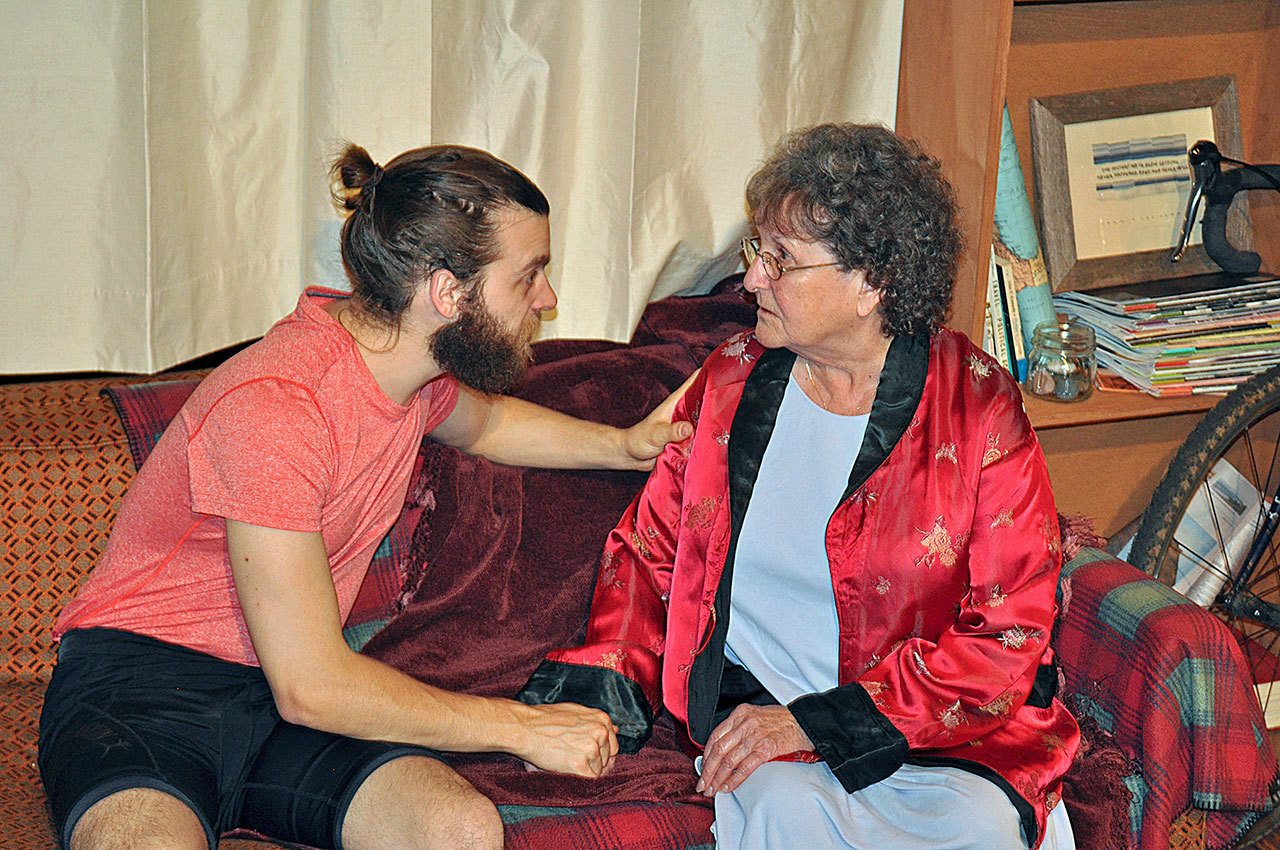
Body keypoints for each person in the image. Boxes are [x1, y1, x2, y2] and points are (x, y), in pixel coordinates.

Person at [38, 143, 694, 850]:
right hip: (144, 690)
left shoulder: (406, 370)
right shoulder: (278, 406)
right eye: (529, 274)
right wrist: (524, 727)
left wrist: (624, 445)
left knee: (459, 829)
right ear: (447, 293)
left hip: (282, 705)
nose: (547, 299)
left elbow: (487, 425)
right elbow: (313, 686)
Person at [518, 124, 1080, 850]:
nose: (752, 279)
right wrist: (600, 694)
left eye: (780, 260)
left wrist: (819, 724)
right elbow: (649, 552)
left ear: (871, 283)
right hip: (763, 722)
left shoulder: (976, 409)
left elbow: (1010, 630)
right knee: (785, 812)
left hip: (946, 740)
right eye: (757, 250)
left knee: (978, 829)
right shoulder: (732, 382)